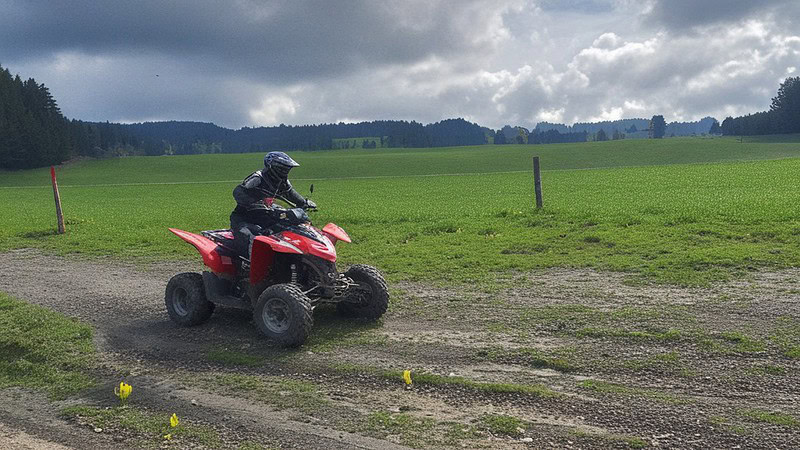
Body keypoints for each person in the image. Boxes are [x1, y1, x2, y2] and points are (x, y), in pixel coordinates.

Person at [230, 151, 316, 259]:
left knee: (288, 229)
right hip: (245, 217)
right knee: (255, 237)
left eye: (287, 169)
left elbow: (291, 194)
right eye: (282, 169)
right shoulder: (258, 178)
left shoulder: (282, 182)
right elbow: (238, 192)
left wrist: (304, 203)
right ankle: (252, 264)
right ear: (272, 166)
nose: (285, 172)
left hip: (265, 216)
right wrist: (254, 201)